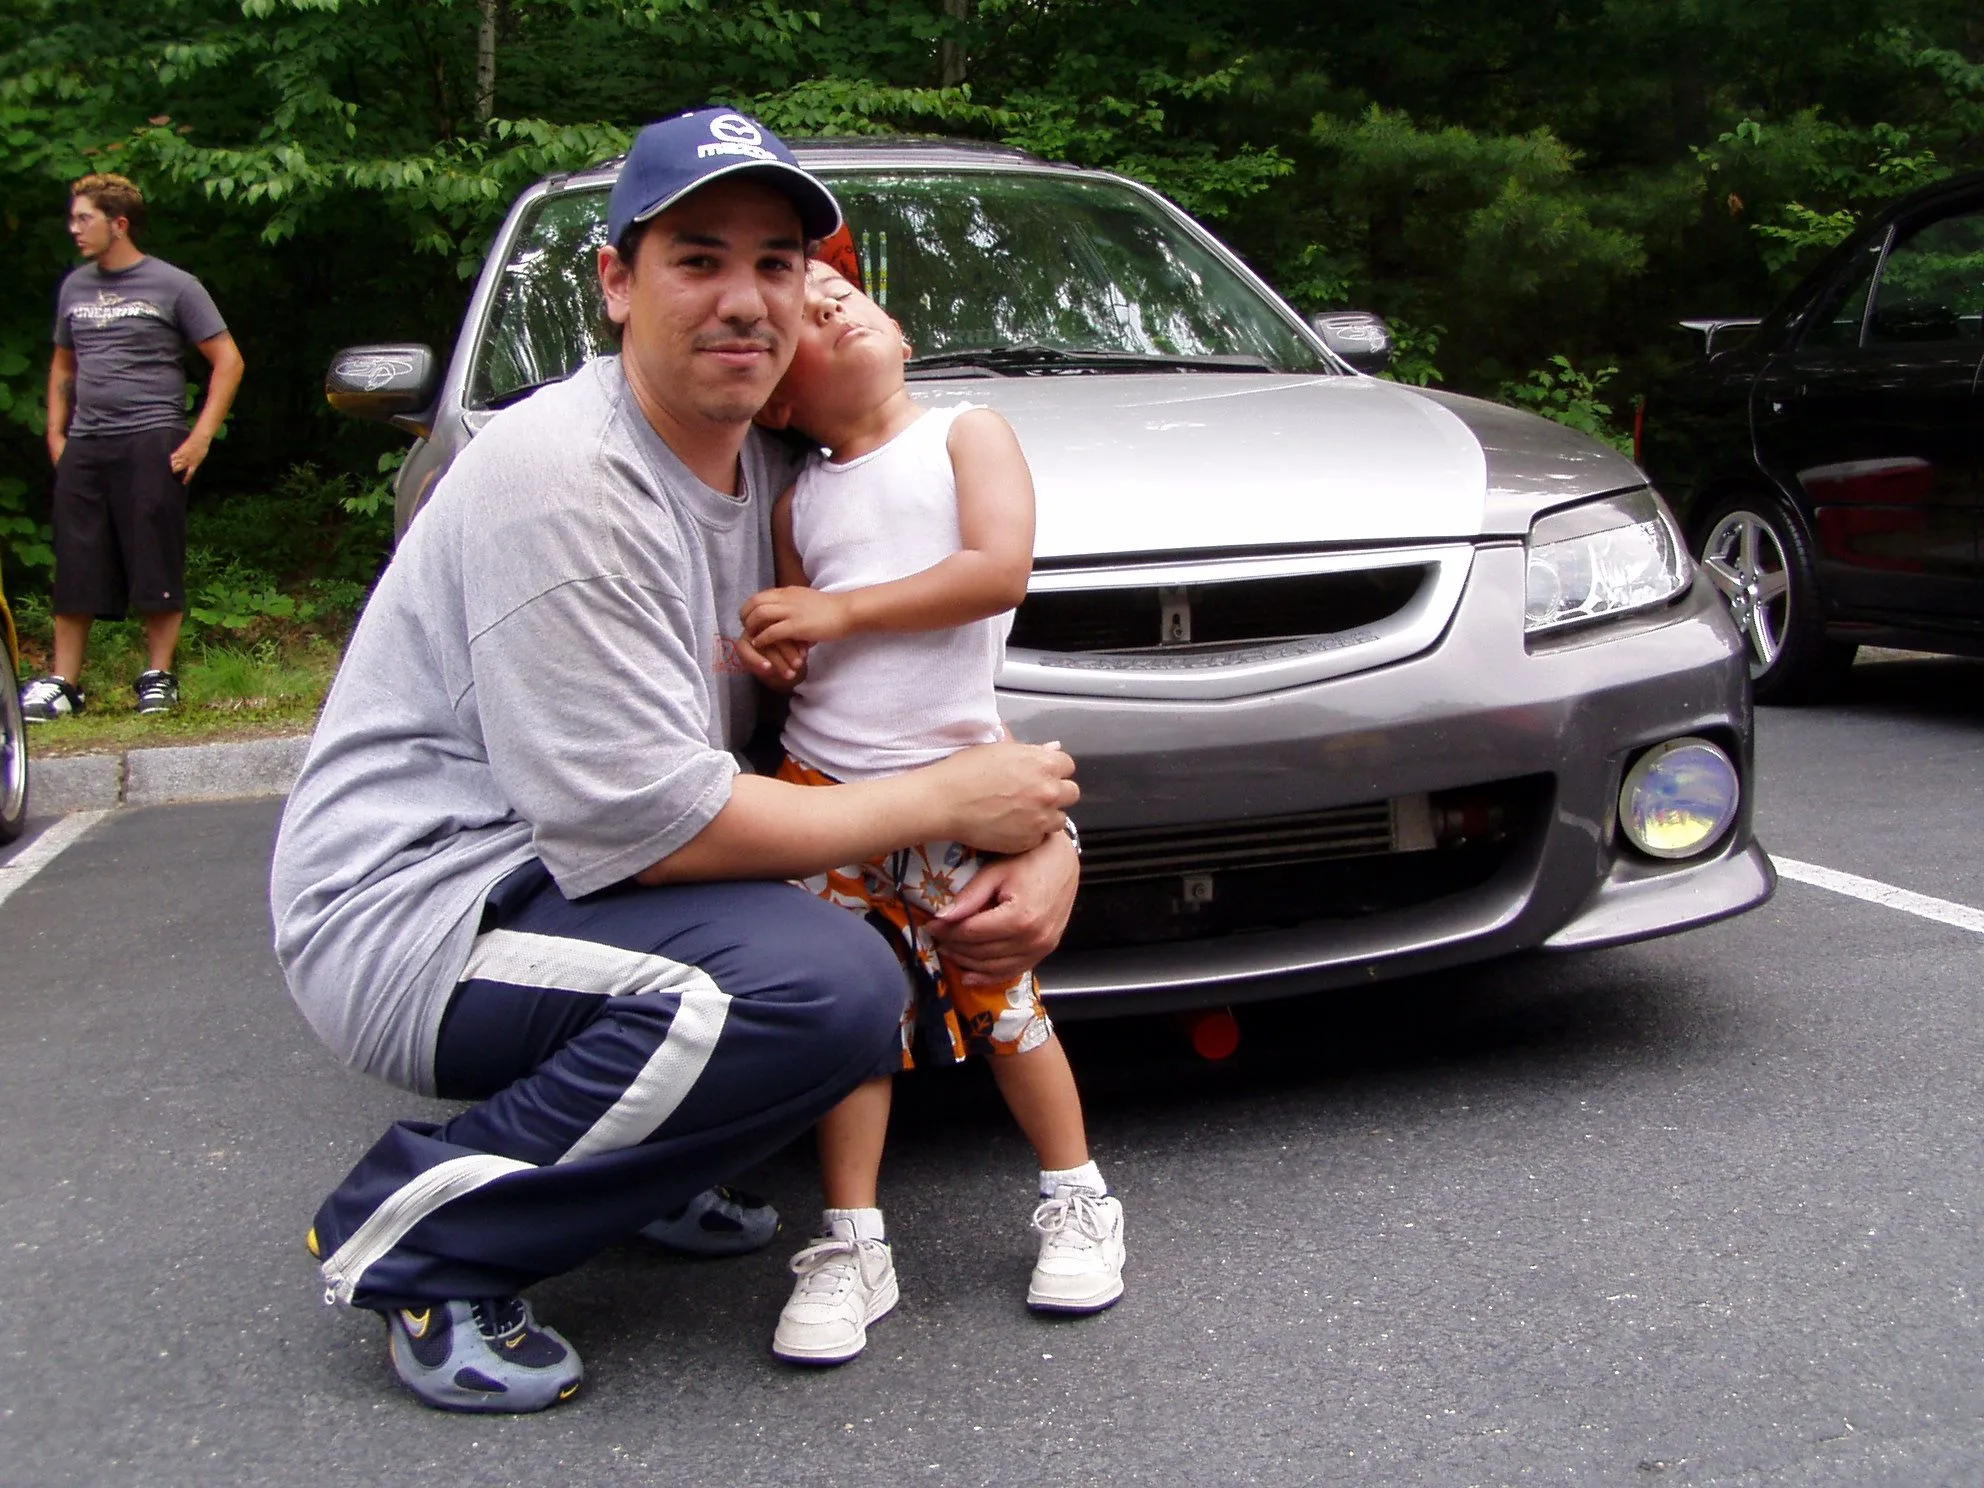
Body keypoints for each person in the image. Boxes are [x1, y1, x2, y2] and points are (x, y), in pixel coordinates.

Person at [267, 108, 1081, 1414]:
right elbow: (650, 825)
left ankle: (636, 1166)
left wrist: (1041, 837)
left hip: (577, 871)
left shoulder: (784, 471)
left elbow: (913, 694)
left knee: (813, 962)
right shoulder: (567, 480)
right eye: (698, 259)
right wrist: (948, 803)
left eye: (777, 264)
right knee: (824, 988)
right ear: (616, 282)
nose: (745, 298)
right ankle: (420, 1241)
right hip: (426, 906)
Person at [743, 260, 1124, 1368]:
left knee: (1002, 996)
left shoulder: (966, 433)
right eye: (806, 317)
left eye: (844, 298)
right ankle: (852, 1239)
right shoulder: (797, 498)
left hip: (958, 782)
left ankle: (1078, 1195)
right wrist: (782, 648)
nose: (829, 305)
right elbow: (804, 641)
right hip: (822, 789)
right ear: (781, 399)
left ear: (900, 334)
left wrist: (837, 611)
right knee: (849, 1020)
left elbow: (998, 572)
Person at [22, 172, 245, 721]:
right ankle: (64, 684)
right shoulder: (75, 288)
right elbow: (63, 365)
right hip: (87, 441)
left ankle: (159, 676)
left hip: (152, 436)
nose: (74, 228)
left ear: (118, 224)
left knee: (153, 552)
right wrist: (56, 433)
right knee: (76, 557)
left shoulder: (175, 285)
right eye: (72, 218)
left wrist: (200, 439)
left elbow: (228, 360)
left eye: (85, 218)